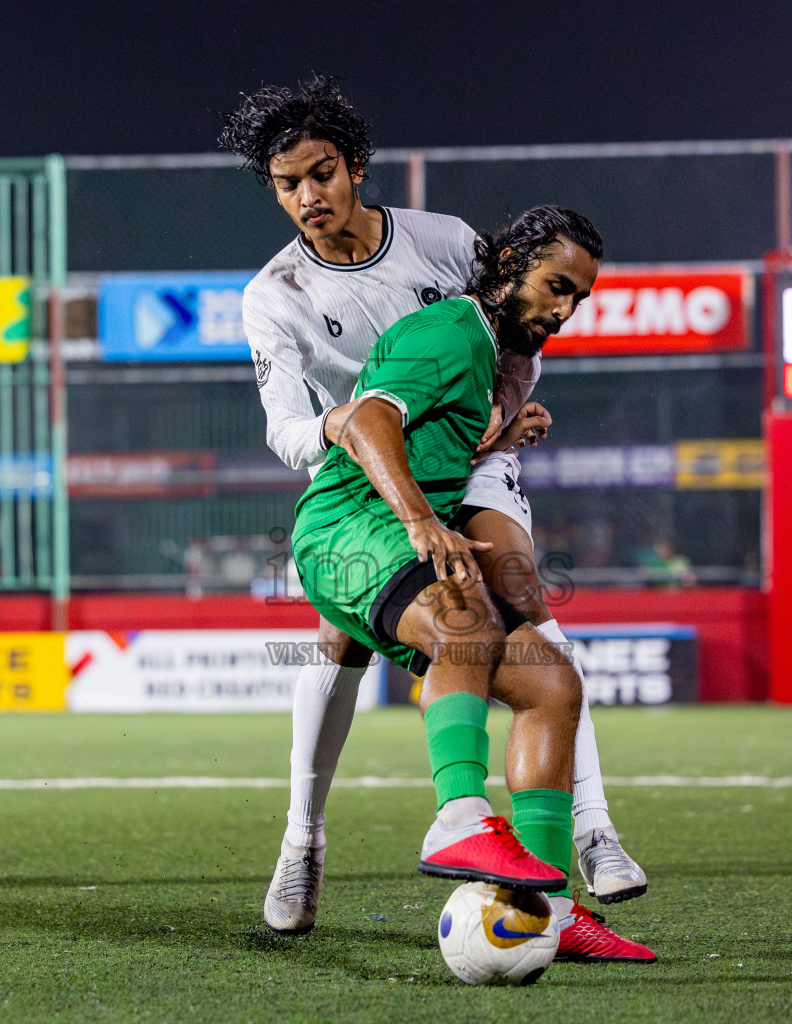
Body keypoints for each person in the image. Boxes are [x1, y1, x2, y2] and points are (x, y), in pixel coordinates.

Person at [221, 77, 649, 948]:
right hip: (366, 481)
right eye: (287, 183)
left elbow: (521, 319)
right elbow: (290, 428)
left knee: (524, 605)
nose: (308, 196)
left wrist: (503, 419)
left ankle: (583, 845)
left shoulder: (445, 242)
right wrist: (345, 429)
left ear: (356, 166)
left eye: (322, 173)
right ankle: (305, 840)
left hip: (466, 454)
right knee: (377, 631)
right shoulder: (276, 294)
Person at [293, 204, 653, 961]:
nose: (565, 310)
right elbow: (366, 421)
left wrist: (500, 436)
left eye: (579, 297)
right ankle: (457, 817)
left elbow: (431, 438)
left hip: (385, 536)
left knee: (551, 683)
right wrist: (423, 520)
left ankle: (548, 911)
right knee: (469, 616)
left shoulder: (491, 353)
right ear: (511, 264)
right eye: (557, 286)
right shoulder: (452, 331)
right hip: (345, 532)